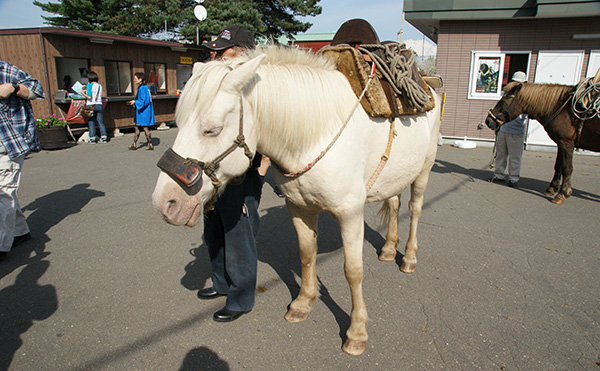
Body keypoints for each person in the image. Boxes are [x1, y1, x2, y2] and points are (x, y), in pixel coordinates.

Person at [197, 26, 269, 322]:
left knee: (238, 233)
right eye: (214, 49)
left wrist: (262, 169)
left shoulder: (256, 85)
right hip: (215, 168)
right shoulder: (220, 82)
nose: (215, 54)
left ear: (241, 53)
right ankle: (221, 283)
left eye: (222, 50)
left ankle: (241, 299)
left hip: (243, 172)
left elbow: (269, 129)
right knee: (213, 227)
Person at [0, 60, 45, 260]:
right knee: (5, 192)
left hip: (7, 145)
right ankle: (19, 231)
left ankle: (1, 244)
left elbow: (37, 89)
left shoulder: (6, 70)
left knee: (4, 193)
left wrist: (14, 87)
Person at [489, 71, 529, 187]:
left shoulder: (524, 97)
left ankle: (513, 178)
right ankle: (499, 175)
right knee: (501, 154)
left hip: (516, 131)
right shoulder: (507, 94)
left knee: (515, 156)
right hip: (504, 128)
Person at [127, 72, 155, 150]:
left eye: (135, 78)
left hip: (143, 112)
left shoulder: (142, 88)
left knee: (142, 127)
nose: (134, 80)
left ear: (140, 79)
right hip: (144, 111)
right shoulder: (145, 88)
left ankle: (148, 144)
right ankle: (136, 144)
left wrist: (135, 102)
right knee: (140, 127)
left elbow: (143, 101)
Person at [81, 71, 108, 143]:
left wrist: (83, 93)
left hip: (91, 105)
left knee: (91, 122)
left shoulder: (89, 85)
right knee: (100, 121)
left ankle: (92, 137)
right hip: (99, 104)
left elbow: (89, 97)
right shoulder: (99, 85)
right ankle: (104, 137)